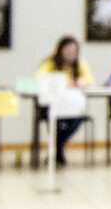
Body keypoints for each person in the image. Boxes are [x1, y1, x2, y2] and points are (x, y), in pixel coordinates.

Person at [38, 35, 91, 166]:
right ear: (61, 49)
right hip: (54, 105)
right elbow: (40, 78)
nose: (71, 53)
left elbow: (88, 79)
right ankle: (58, 151)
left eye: (74, 50)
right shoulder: (49, 63)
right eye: (68, 50)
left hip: (73, 106)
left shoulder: (80, 63)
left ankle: (57, 148)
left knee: (77, 119)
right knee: (57, 121)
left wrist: (80, 82)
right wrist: (63, 82)